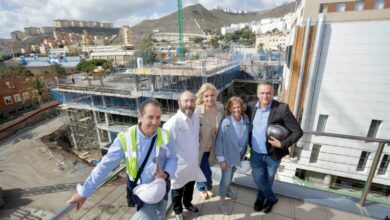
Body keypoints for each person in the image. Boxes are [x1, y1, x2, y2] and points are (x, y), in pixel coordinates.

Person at [67, 99, 177, 220]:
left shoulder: (165, 134)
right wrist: (84, 193)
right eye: (150, 117)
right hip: (143, 194)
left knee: (161, 214)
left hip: (163, 187)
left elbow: (173, 158)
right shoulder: (125, 139)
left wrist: (165, 174)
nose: (155, 122)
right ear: (139, 116)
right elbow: (105, 166)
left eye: (158, 117)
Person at [246, 81, 303, 214]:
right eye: (262, 93)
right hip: (255, 152)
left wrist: (282, 144)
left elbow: (298, 131)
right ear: (257, 93)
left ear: (272, 93)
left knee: (269, 179)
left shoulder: (282, 108)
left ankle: (261, 198)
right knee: (259, 178)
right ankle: (271, 198)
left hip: (273, 154)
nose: (265, 96)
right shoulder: (250, 106)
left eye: (268, 93)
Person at [163, 91, 205, 220]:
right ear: (179, 103)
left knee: (190, 186)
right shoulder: (172, 123)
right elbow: (163, 147)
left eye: (192, 101)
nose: (190, 104)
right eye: (186, 101)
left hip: (192, 163)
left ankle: (187, 204)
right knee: (177, 191)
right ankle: (178, 211)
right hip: (178, 167)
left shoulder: (196, 117)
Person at [214, 96, 249, 215]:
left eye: (239, 106)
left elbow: (246, 138)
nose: (237, 109)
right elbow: (219, 141)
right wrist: (221, 160)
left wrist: (245, 153)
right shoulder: (226, 122)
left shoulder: (246, 120)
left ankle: (228, 190)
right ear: (229, 109)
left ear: (242, 107)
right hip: (227, 157)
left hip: (239, 156)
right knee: (225, 179)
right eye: (234, 107)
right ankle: (222, 200)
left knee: (231, 175)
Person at [195, 83, 224, 199]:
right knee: (206, 170)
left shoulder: (220, 108)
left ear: (216, 96)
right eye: (206, 96)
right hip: (201, 147)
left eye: (212, 95)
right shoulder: (197, 112)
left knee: (206, 168)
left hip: (214, 146)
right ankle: (204, 188)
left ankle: (204, 186)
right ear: (202, 97)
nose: (210, 98)